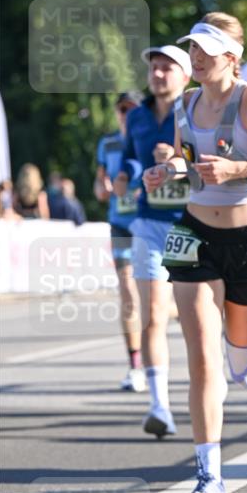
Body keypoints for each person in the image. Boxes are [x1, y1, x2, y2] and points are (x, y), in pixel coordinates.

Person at [142, 13, 247, 493]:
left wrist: (239, 168)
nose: (196, 56)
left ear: (232, 56)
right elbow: (186, 162)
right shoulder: (185, 103)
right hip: (194, 234)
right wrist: (167, 172)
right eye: (194, 48)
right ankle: (210, 479)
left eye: (206, 48)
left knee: (244, 368)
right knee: (203, 359)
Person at [114, 45, 192, 438]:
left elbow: (222, 160)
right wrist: (125, 176)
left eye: (167, 68)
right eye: (154, 68)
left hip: (194, 222)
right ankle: (160, 404)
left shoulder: (196, 108)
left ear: (186, 75)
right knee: (153, 315)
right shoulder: (139, 115)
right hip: (149, 221)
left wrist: (178, 159)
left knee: (207, 319)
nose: (158, 74)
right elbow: (129, 156)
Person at [95, 91, 145, 392]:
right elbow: (100, 183)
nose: (125, 115)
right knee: (127, 289)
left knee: (159, 294)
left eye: (131, 109)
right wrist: (101, 188)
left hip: (152, 223)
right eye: (121, 110)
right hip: (121, 224)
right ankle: (135, 365)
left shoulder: (150, 138)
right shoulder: (108, 143)